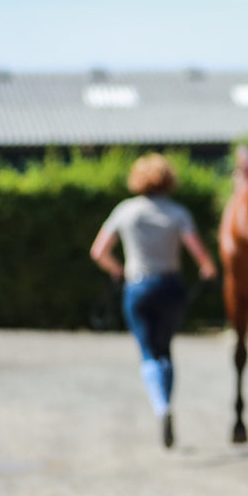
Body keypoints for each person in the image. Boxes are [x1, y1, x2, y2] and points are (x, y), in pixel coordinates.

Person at [90, 153, 217, 449]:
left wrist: (117, 270)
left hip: (138, 287)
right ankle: (168, 402)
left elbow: (99, 252)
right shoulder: (178, 213)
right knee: (165, 350)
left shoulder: (126, 211)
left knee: (148, 354)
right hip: (171, 287)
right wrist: (208, 270)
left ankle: (161, 407)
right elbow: (204, 260)